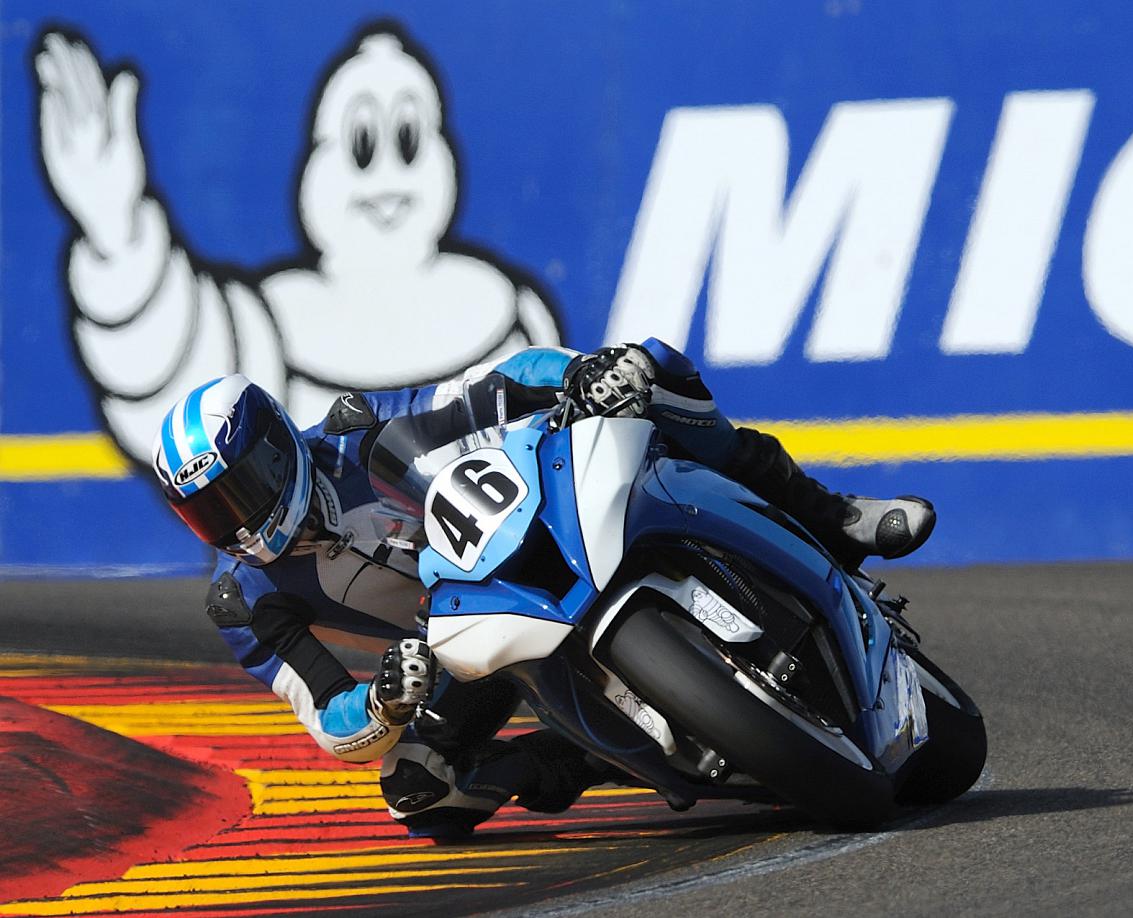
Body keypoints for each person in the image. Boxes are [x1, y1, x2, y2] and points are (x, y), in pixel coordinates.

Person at [153, 338, 935, 839]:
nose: (242, 520)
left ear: (277, 446)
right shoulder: (246, 601)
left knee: (651, 366)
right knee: (417, 790)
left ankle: (832, 517)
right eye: (210, 511)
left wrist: (579, 374)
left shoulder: (358, 431)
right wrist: (386, 697)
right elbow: (323, 714)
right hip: (465, 644)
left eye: (243, 487)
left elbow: (490, 383)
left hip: (542, 523)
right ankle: (591, 759)